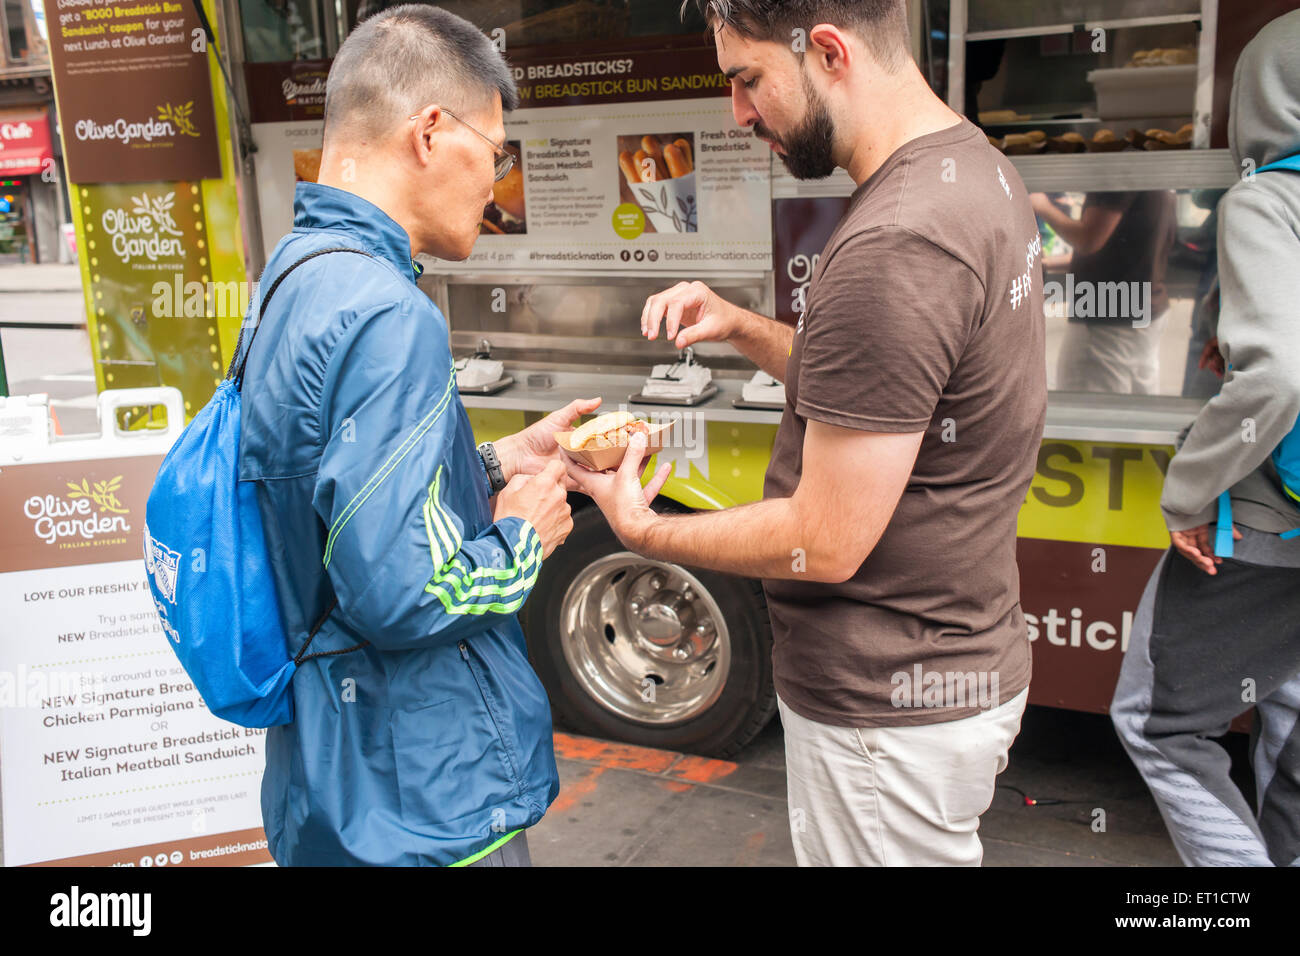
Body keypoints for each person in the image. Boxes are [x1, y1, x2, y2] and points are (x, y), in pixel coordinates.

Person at [568, 0, 1047, 865]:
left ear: (827, 50)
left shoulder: (898, 239)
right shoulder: (971, 167)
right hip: (953, 668)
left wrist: (641, 530)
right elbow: (890, 396)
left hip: (885, 708)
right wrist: (742, 325)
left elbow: (824, 543)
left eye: (748, 80)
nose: (738, 115)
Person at [239, 4, 668, 866]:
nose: (497, 180)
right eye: (497, 153)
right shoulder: (390, 314)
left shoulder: (293, 276)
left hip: (330, 778)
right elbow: (406, 592)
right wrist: (524, 536)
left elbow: (338, 505)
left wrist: (500, 460)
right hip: (421, 800)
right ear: (431, 133)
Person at [1110, 10, 1300, 867]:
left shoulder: (1270, 198)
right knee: (1290, 714)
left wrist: (1187, 489)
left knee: (1159, 724)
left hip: (1268, 522)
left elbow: (1280, 378)